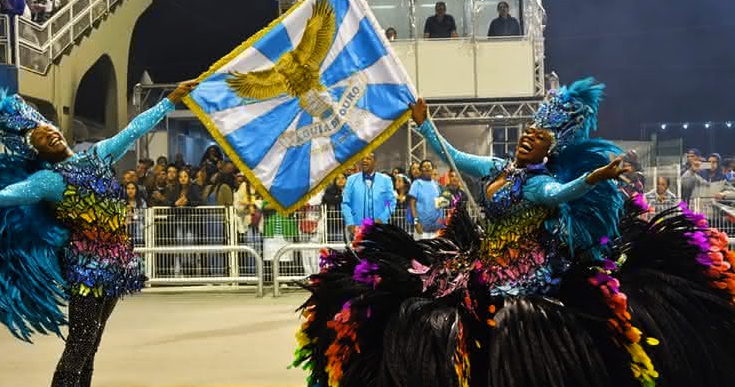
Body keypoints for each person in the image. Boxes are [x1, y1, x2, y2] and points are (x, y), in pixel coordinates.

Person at [293, 78, 735, 386]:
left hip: (525, 270)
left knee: (508, 330)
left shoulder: (539, 183)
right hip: (482, 261)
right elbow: (452, 154)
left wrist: (597, 177)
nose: (528, 138)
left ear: (550, 148)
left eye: (538, 137)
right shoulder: (496, 168)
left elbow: (564, 192)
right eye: (527, 132)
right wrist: (423, 122)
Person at [0, 80, 197, 387]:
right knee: (80, 342)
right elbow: (4, 195)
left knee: (92, 343)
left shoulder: (98, 156)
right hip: (85, 267)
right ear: (38, 152)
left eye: (49, 130)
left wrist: (170, 101)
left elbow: (134, 129)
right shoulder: (48, 180)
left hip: (116, 263)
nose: (51, 136)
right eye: (43, 139)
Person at [341, 152, 396, 238]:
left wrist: (382, 218)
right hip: (357, 228)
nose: (364, 161)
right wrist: (350, 222)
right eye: (362, 159)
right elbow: (346, 203)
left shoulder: (386, 180)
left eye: (368, 159)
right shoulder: (351, 180)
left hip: (380, 228)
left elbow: (389, 202)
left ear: (375, 162)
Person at [165, 168, 203, 277]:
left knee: (190, 241)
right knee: (179, 242)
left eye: (185, 176)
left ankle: (190, 267)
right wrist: (175, 204)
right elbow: (169, 202)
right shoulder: (175, 189)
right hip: (178, 221)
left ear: (189, 178)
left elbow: (199, 201)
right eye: (181, 177)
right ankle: (178, 269)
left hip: (190, 221)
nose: (183, 179)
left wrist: (188, 202)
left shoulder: (194, 188)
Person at [409, 159, 444, 240]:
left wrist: (441, 223)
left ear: (432, 169)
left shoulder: (436, 185)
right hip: (422, 230)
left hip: (436, 229)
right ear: (421, 170)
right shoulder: (416, 184)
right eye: (424, 167)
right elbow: (412, 205)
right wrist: (416, 223)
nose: (427, 168)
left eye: (429, 166)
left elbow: (440, 206)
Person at [124, 181, 147, 247]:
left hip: (138, 234)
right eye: (128, 188)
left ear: (136, 190)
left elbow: (143, 216)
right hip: (125, 234)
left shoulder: (142, 202)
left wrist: (133, 214)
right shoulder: (121, 202)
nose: (130, 191)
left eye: (133, 188)